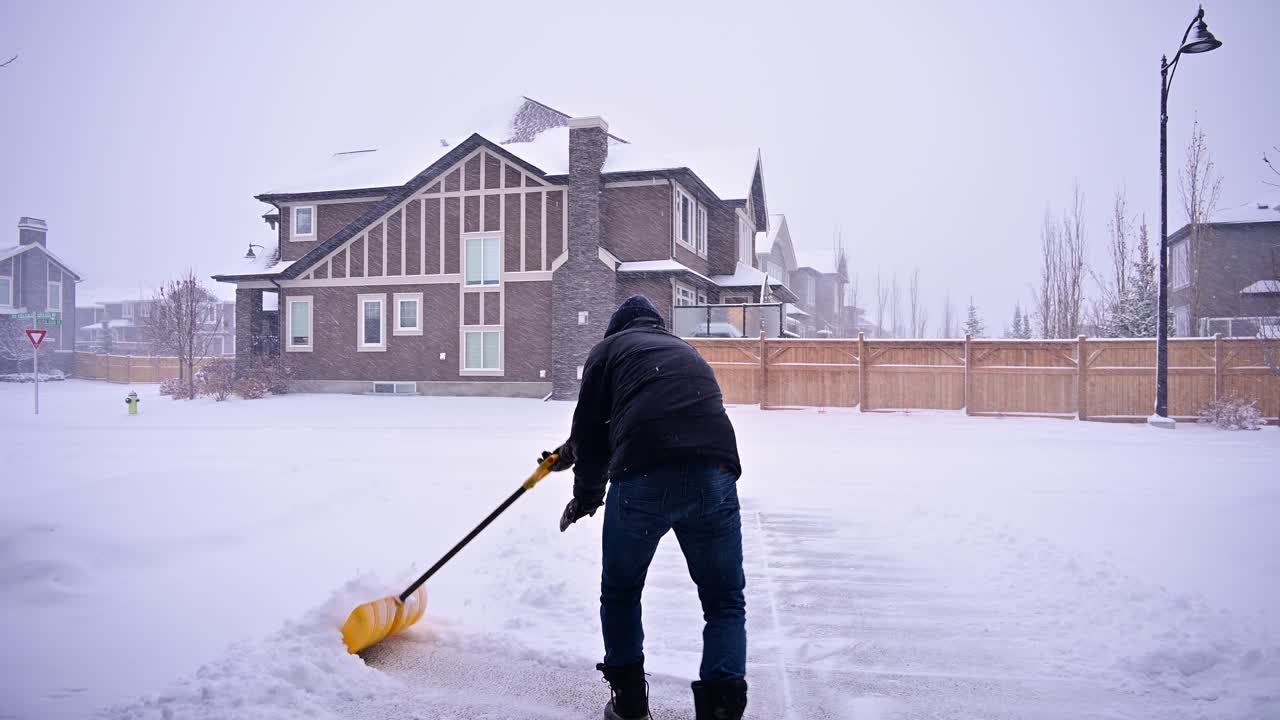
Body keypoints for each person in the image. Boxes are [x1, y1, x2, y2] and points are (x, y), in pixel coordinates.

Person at [541, 295, 748, 720]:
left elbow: (592, 435)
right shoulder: (684, 351)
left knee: (620, 591)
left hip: (644, 475)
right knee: (724, 600)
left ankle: (630, 703)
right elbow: (634, 420)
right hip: (715, 473)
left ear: (615, 328)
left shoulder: (608, 350)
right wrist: (567, 454)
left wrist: (586, 498)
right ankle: (722, 708)